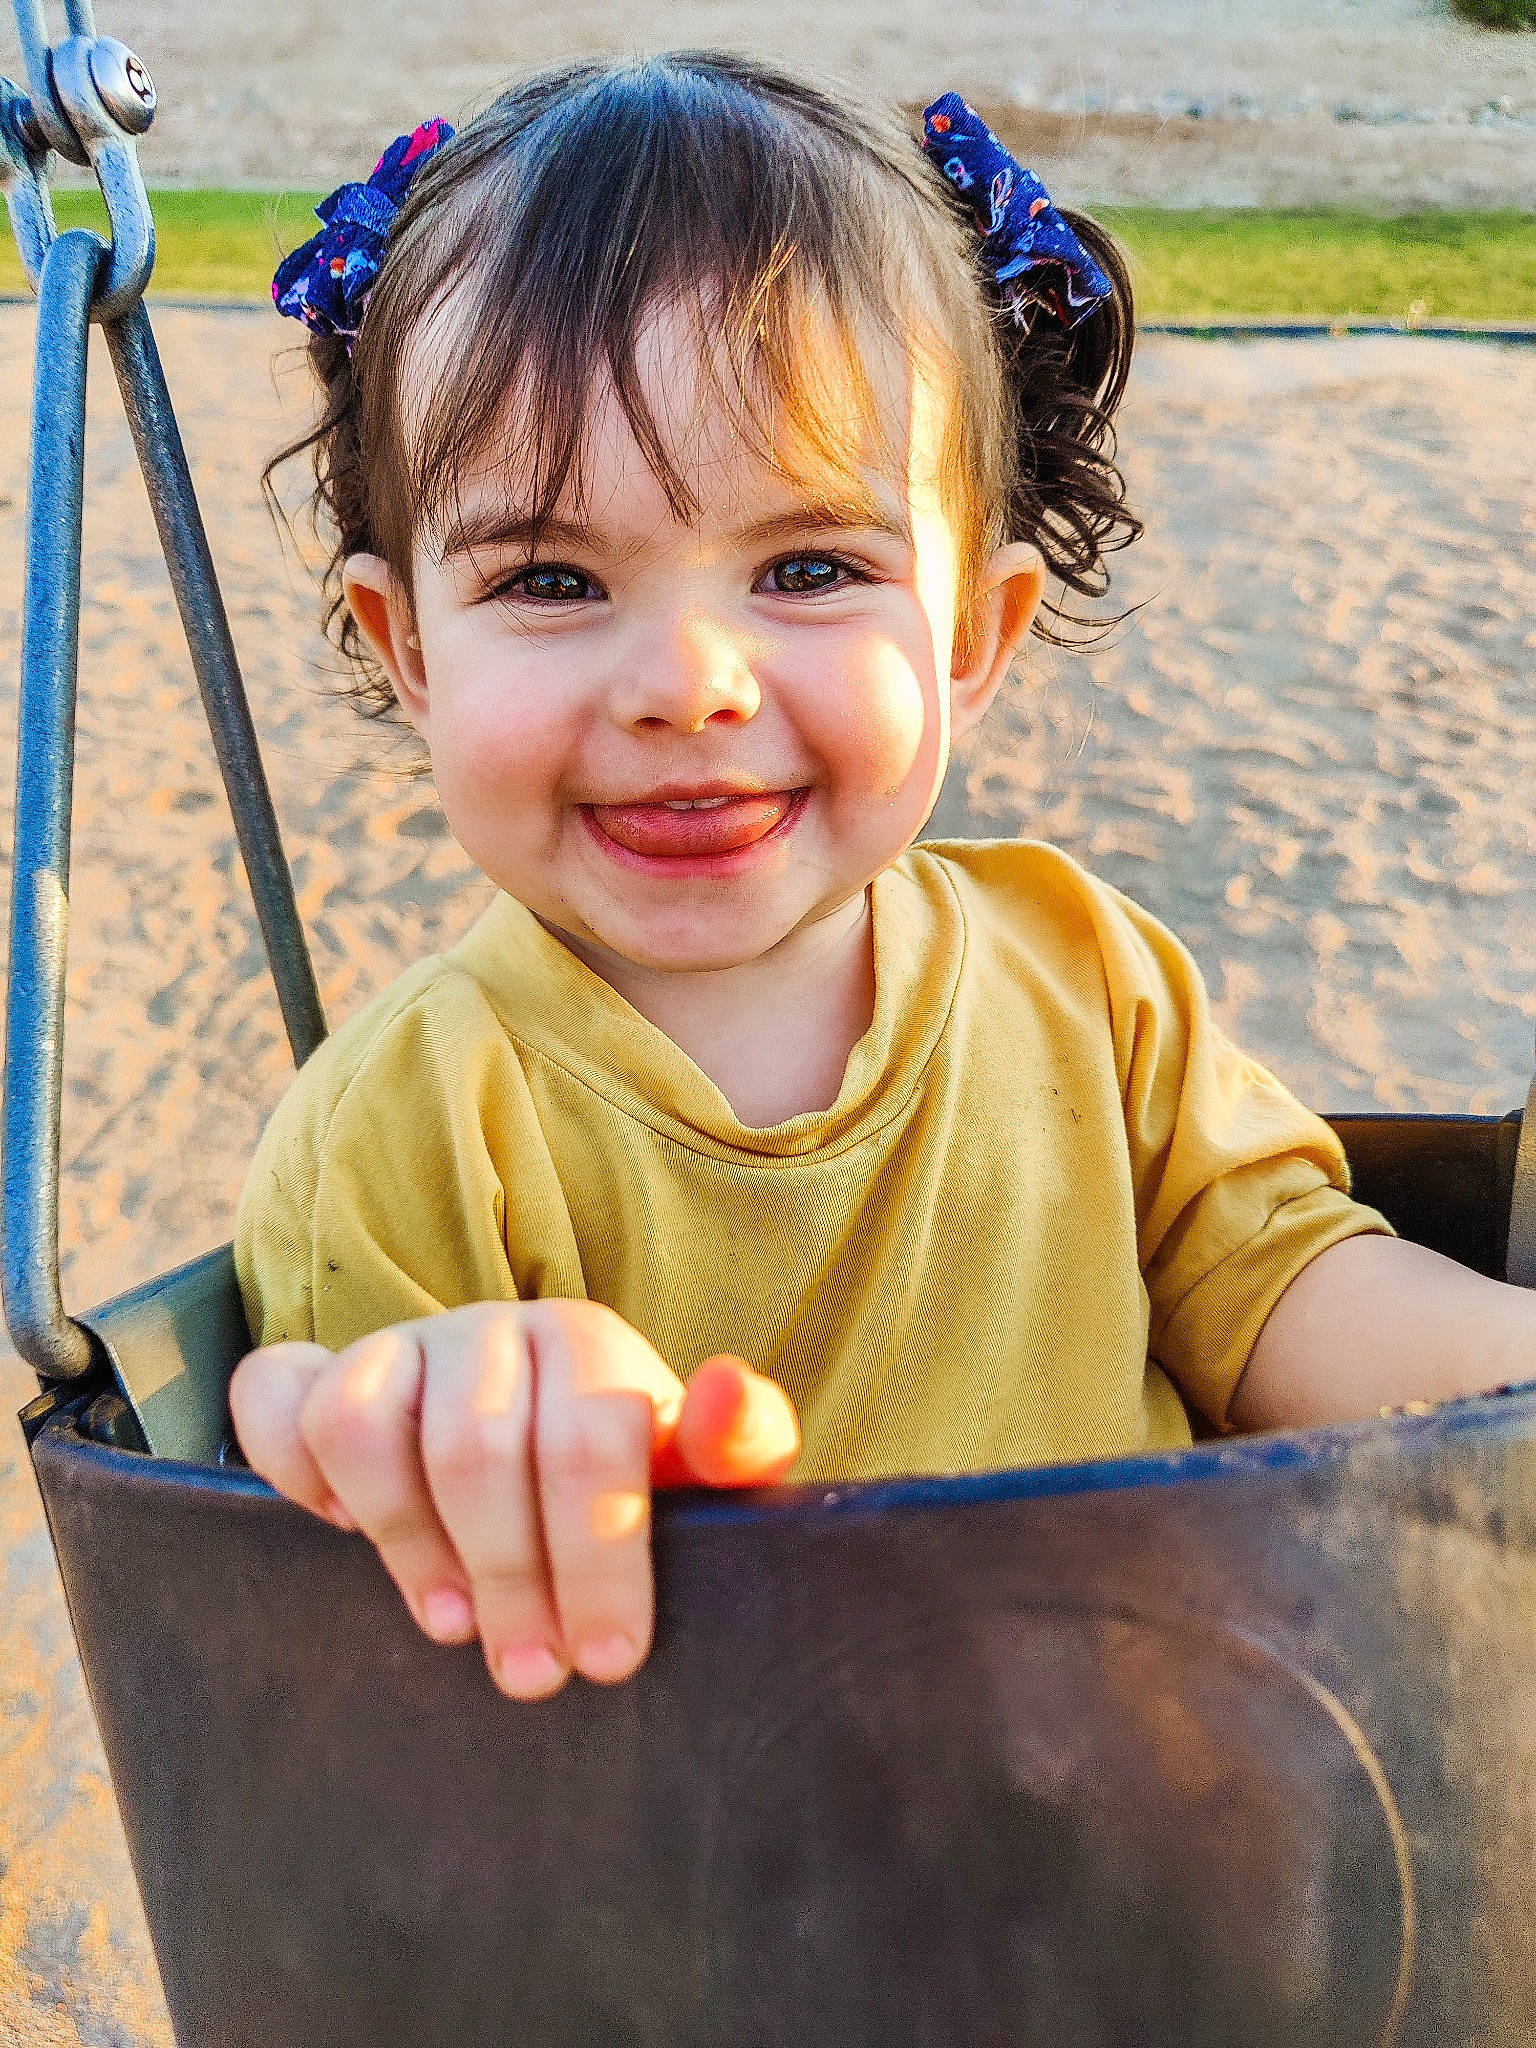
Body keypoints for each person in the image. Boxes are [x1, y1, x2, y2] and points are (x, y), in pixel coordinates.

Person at [231, 56, 1536, 1705]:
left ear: (976, 634)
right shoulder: (413, 1125)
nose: (689, 681)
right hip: (732, 1900)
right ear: (408, 648)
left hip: (1160, 1826)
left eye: (810, 568)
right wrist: (465, 1414)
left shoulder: (1082, 970)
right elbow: (351, 1580)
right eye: (554, 577)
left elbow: (1274, 1291)